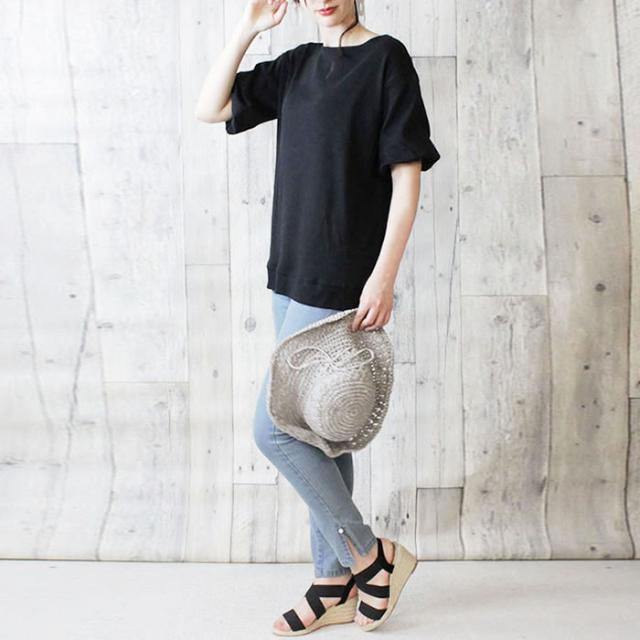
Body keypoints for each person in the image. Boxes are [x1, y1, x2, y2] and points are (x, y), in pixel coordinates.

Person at [195, 0, 441, 634]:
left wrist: (383, 275)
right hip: (288, 273)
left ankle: (371, 557)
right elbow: (210, 107)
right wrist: (248, 29)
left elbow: (407, 178)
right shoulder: (297, 64)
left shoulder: (385, 59)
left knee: (274, 431)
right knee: (315, 433)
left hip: (342, 274)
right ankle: (333, 584)